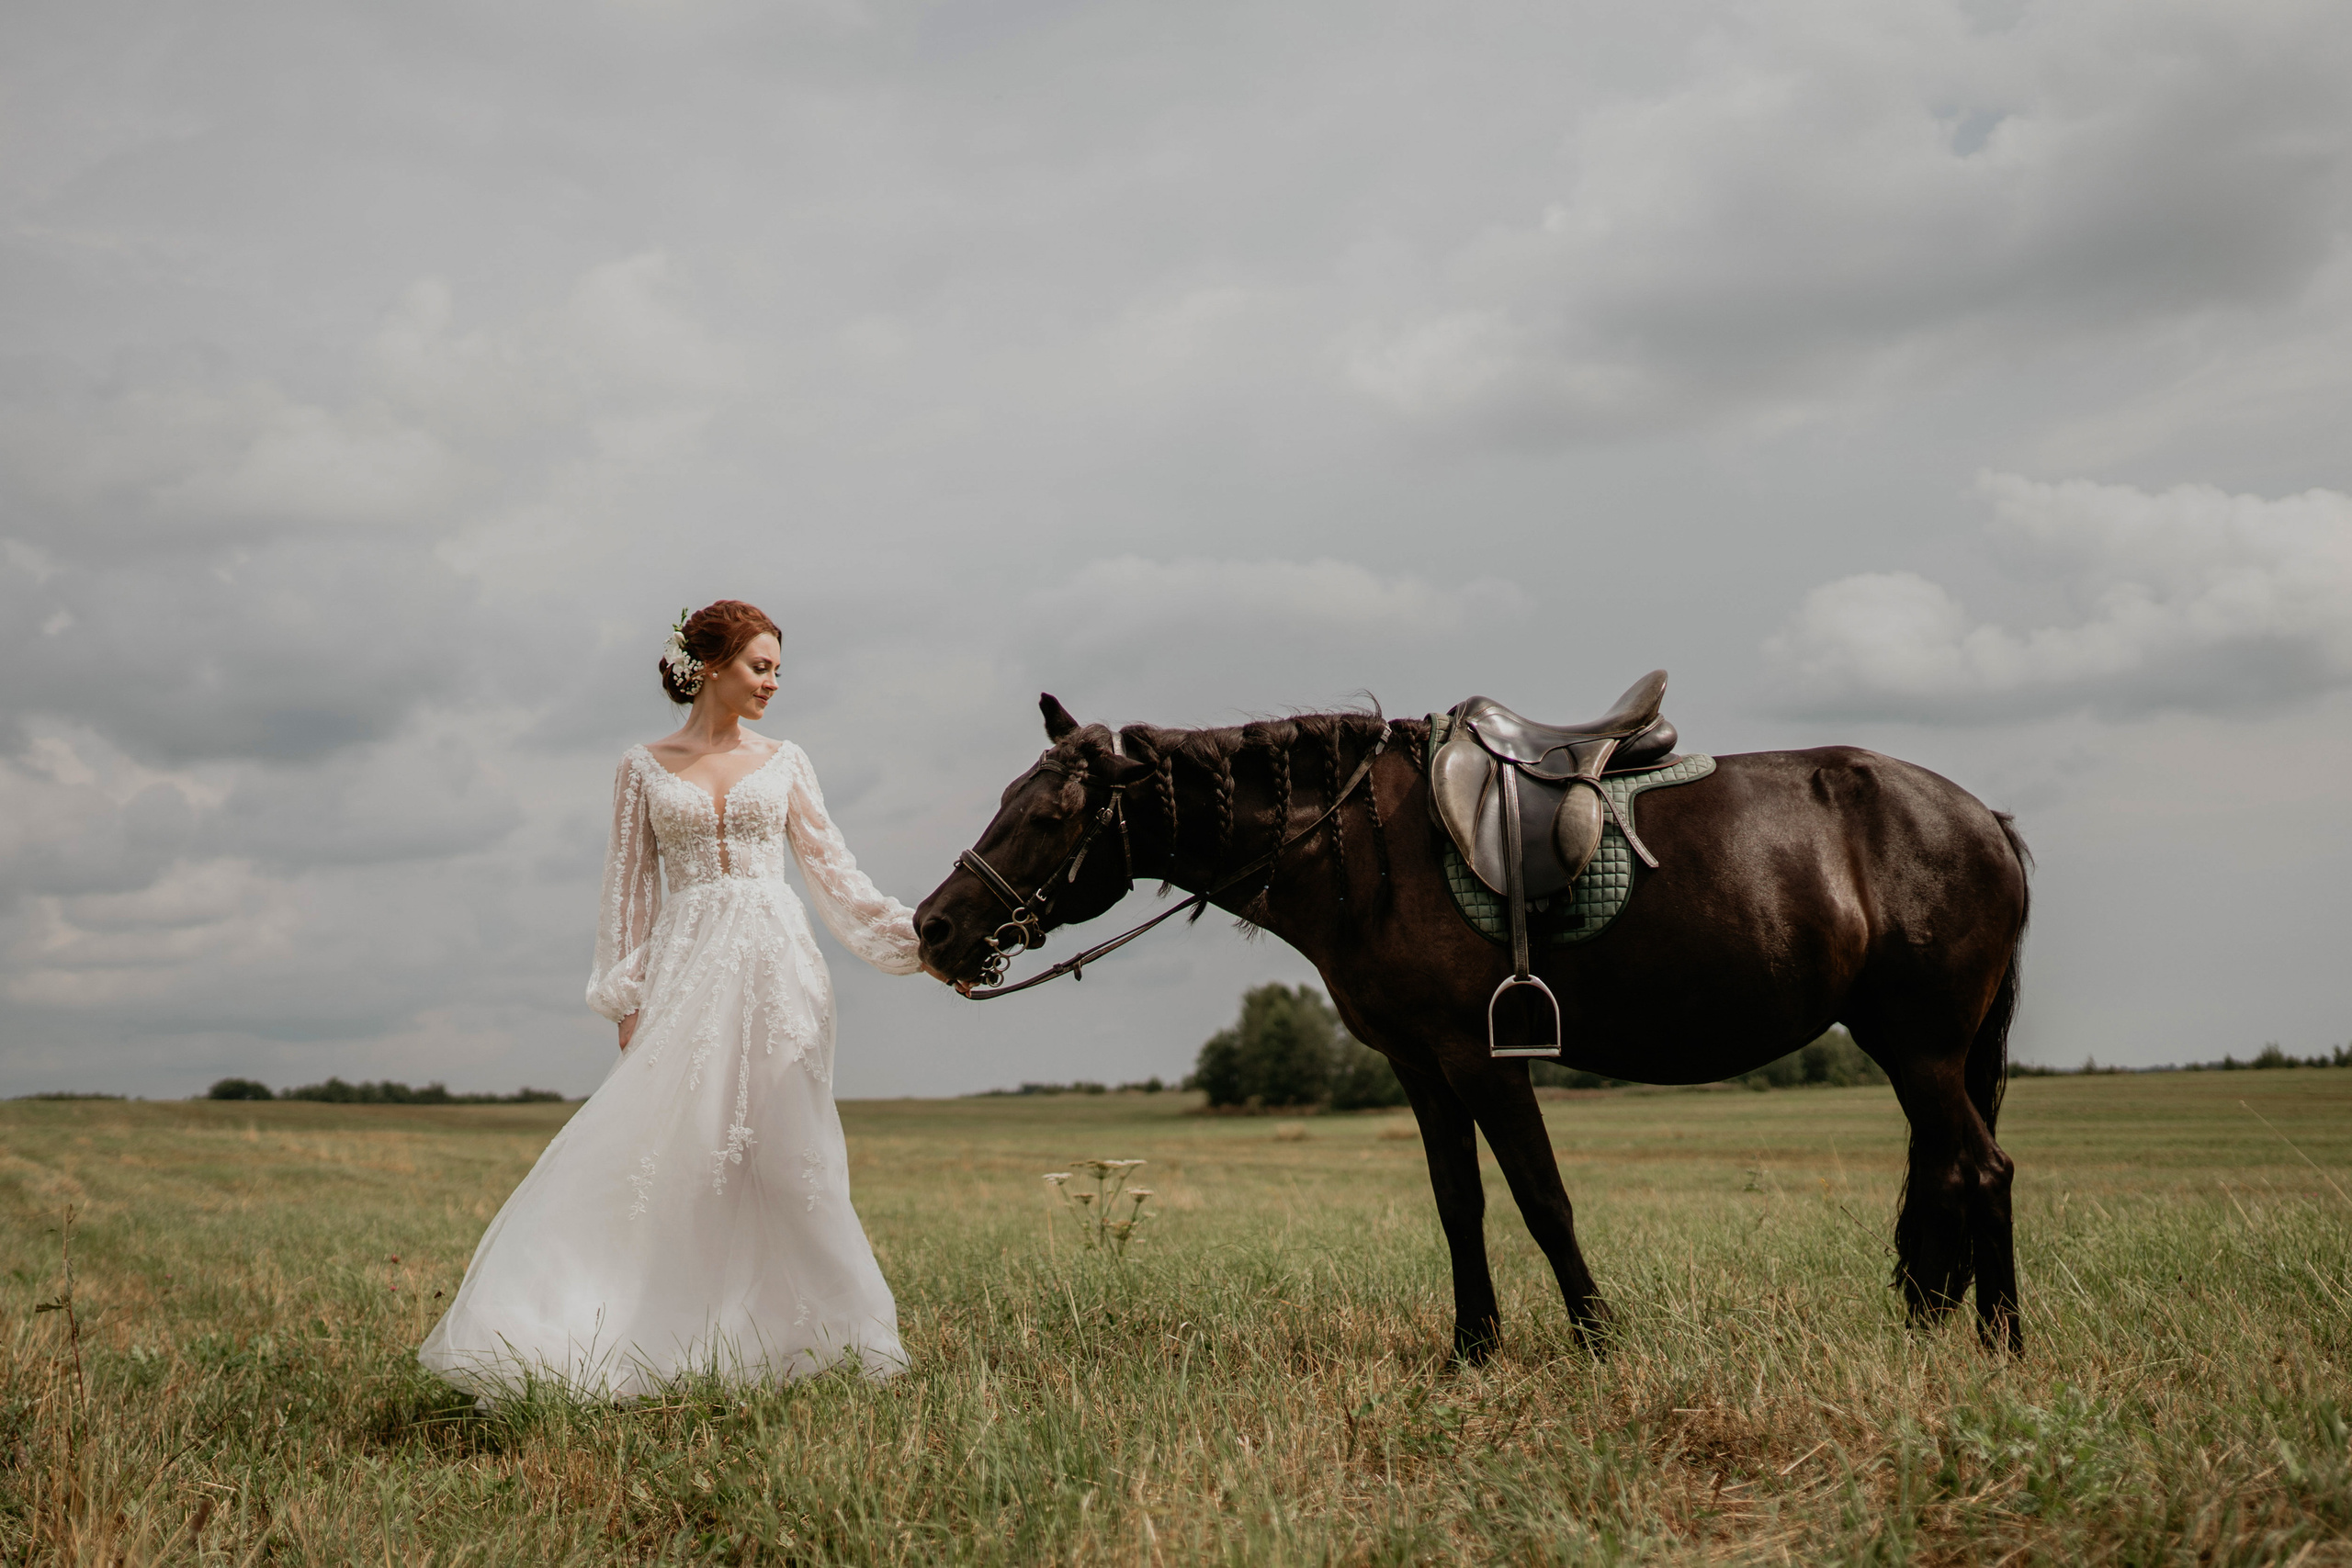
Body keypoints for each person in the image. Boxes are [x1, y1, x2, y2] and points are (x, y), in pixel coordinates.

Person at [419, 600, 925, 1398]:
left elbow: (838, 878)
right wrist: (626, 999)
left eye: (778, 669)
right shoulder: (641, 766)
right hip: (684, 973)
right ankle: (649, 1334)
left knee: (792, 1160)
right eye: (760, 666)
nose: (773, 682)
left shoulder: (788, 760)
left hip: (780, 973)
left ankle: (826, 1344)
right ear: (713, 667)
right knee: (672, 1155)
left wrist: (920, 942)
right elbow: (625, 893)